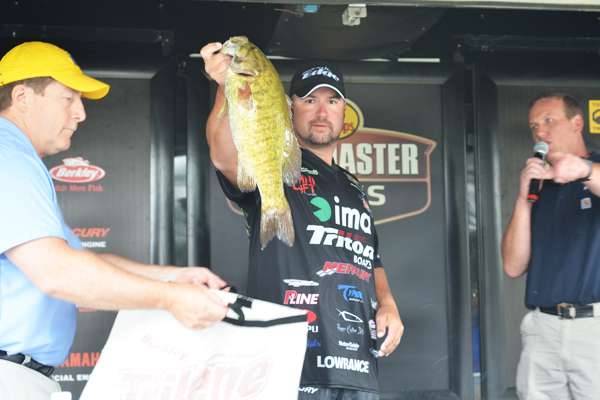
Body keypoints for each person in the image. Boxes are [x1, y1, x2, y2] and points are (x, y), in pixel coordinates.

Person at [0, 41, 229, 400]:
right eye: (68, 98)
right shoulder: (7, 154)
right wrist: (170, 298)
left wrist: (171, 277)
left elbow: (74, 261)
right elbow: (57, 272)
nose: (80, 113)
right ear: (22, 96)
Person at [200, 41, 404, 400]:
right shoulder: (274, 165)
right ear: (290, 107)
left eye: (332, 101)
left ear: (344, 111)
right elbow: (225, 156)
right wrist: (226, 86)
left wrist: (387, 303)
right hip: (288, 365)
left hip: (358, 368)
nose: (322, 111)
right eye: (309, 100)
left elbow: (371, 257)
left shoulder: (354, 186)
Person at [501, 93, 600, 400]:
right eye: (534, 126)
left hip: (593, 326)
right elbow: (512, 265)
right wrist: (524, 199)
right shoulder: (540, 185)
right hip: (543, 327)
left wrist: (585, 170)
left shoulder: (595, 167)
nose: (540, 132)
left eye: (548, 121)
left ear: (577, 123)